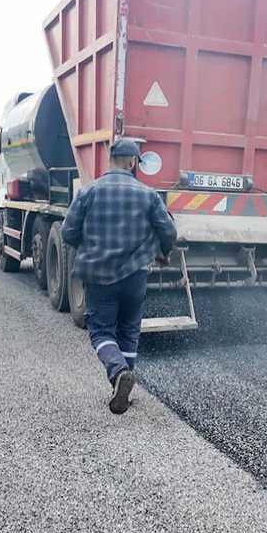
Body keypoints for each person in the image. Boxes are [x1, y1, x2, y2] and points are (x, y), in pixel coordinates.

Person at [62, 139, 177, 415]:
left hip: (99, 275)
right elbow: (169, 232)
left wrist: (88, 247)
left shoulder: (89, 191)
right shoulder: (148, 194)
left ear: (110, 160)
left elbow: (68, 232)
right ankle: (124, 382)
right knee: (129, 329)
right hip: (135, 275)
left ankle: (118, 373)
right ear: (133, 162)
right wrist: (163, 252)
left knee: (101, 330)